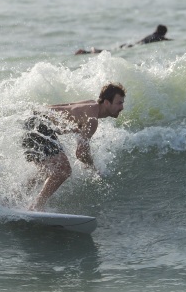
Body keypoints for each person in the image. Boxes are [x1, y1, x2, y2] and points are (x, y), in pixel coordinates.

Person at [22, 83, 127, 211]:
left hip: (33, 121)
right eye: (119, 103)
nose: (122, 107)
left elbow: (64, 110)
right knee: (63, 170)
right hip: (39, 125)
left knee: (47, 171)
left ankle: (13, 197)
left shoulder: (91, 104)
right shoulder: (92, 120)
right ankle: (36, 207)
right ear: (106, 102)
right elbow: (80, 152)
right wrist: (93, 167)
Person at [75, 24, 171, 55]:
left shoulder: (151, 35)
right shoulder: (157, 37)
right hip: (131, 47)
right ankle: (88, 51)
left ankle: (87, 52)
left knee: (110, 51)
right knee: (109, 52)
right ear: (163, 33)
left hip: (129, 45)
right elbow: (164, 39)